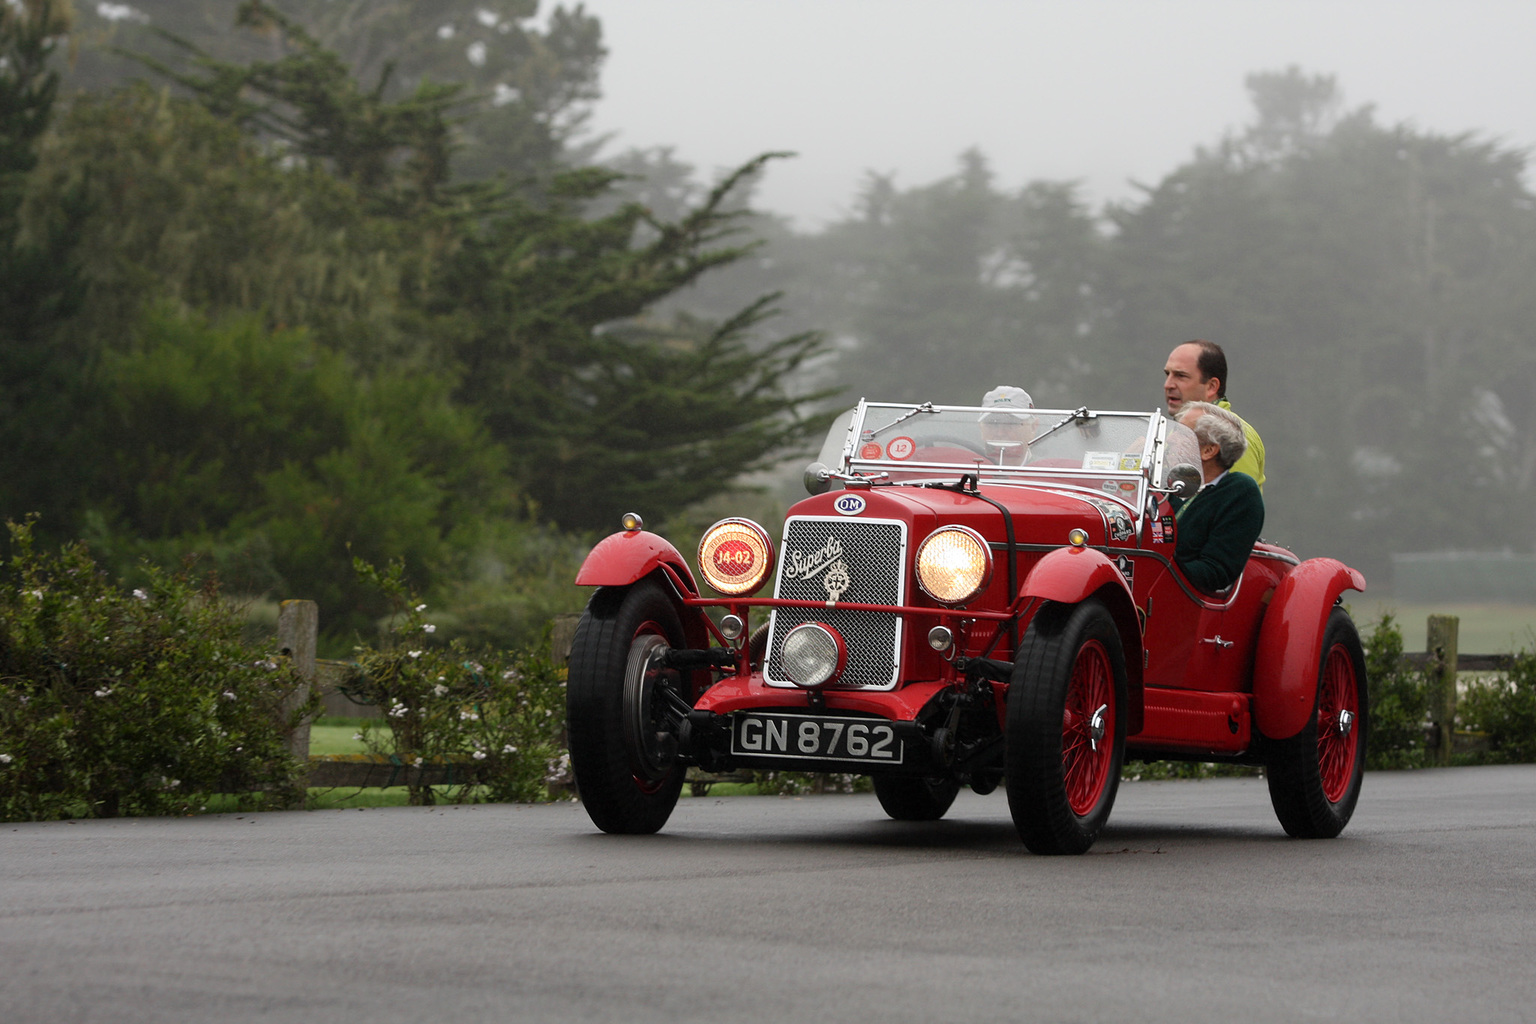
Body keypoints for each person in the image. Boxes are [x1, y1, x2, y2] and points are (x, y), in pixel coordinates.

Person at [1172, 402, 1264, 593]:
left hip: (1185, 603)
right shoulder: (1163, 484)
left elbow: (1215, 571)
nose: (1170, 439)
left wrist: (1156, 572)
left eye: (1181, 433)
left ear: (1208, 451)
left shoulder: (1239, 492)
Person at [1162, 340, 1266, 490]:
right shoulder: (1178, 430)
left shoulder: (1233, 436)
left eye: (1181, 376)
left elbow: (1233, 503)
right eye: (1168, 374)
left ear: (1211, 387)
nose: (1168, 384)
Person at [977, 385, 1035, 465]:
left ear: (1033, 428)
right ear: (981, 428)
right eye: (993, 423)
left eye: (1011, 423)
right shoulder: (964, 469)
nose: (1000, 433)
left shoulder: (1048, 472)